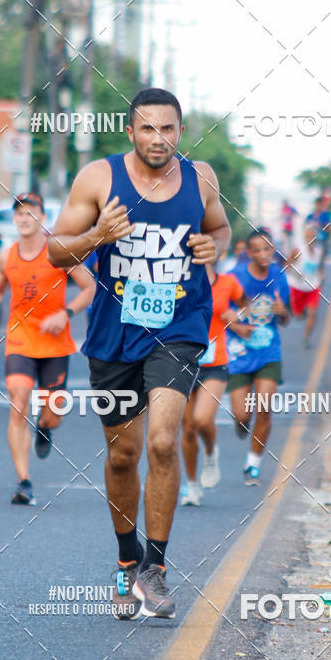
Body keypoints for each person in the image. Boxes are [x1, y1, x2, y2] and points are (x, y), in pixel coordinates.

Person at [48, 87, 231, 620]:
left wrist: (214, 245)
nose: (158, 138)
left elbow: (219, 226)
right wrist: (97, 234)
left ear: (181, 131)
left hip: (179, 324)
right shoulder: (98, 178)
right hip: (115, 333)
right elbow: (56, 250)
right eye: (147, 128)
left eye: (168, 128)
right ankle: (127, 561)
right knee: (123, 455)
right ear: (130, 131)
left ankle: (156, 568)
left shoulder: (201, 179)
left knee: (163, 440)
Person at [0, 192, 95, 506]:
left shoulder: (59, 252)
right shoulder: (6, 256)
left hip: (55, 344)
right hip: (20, 340)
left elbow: (90, 288)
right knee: (18, 402)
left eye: (31, 212)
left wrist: (66, 314)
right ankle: (24, 481)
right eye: (20, 213)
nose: (25, 218)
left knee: (54, 414)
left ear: (42, 217)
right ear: (15, 219)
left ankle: (45, 427)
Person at [226, 229, 290, 485]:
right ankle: (241, 423)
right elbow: (220, 312)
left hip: (268, 352)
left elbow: (286, 320)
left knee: (264, 408)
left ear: (273, 250)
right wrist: (236, 327)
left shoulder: (279, 277)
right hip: (239, 353)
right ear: (249, 253)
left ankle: (253, 464)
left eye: (267, 249)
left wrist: (282, 311)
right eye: (258, 250)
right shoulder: (235, 277)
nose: (263, 254)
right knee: (242, 416)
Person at [180, 263, 246, 506]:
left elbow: (247, 305)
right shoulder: (178, 281)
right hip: (183, 361)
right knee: (187, 428)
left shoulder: (227, 282)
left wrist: (238, 316)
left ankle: (209, 453)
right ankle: (192, 486)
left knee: (202, 419)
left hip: (214, 363)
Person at [286, 223, 322, 349]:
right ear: (304, 237)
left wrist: (321, 275)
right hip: (297, 286)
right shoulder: (298, 250)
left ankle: (306, 339)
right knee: (298, 314)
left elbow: (319, 267)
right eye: (308, 236)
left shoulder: (318, 251)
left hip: (313, 286)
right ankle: (300, 312)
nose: (311, 239)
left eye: (313, 236)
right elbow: (287, 264)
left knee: (313, 313)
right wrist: (295, 273)